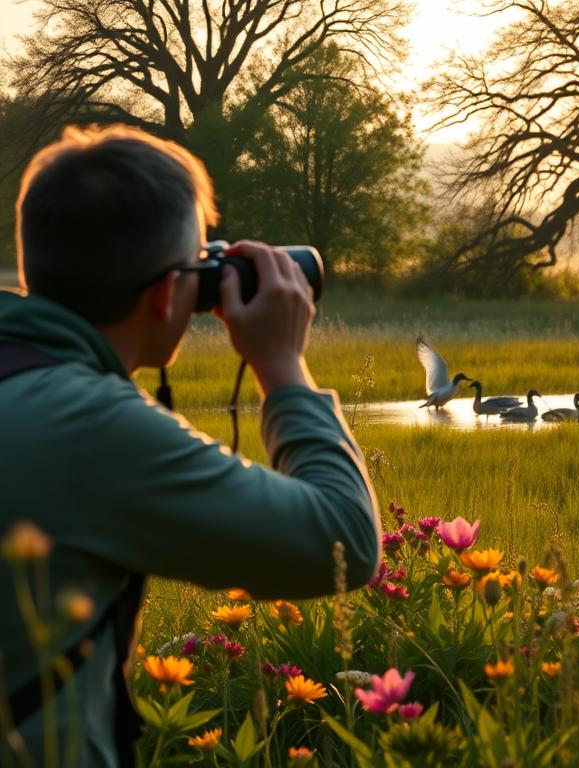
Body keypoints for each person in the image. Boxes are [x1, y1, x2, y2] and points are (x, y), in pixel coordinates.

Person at [0, 125, 382, 767]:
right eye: (200, 262)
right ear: (164, 294)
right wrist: (282, 364)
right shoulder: (93, 428)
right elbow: (344, 542)